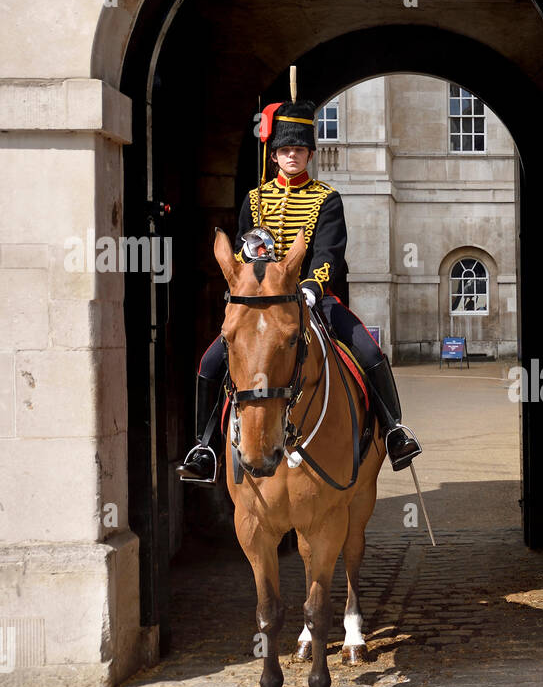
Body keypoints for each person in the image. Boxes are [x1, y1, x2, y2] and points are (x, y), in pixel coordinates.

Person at [178, 97, 421, 485]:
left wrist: (309, 288)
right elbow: (242, 250)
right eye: (285, 150)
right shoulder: (255, 200)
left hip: (315, 299)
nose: (293, 156)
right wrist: (250, 252)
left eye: (300, 150)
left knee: (371, 352)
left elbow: (329, 252)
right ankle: (205, 447)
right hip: (261, 302)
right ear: (274, 156)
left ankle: (394, 431)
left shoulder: (327, 199)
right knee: (210, 363)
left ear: (309, 153)